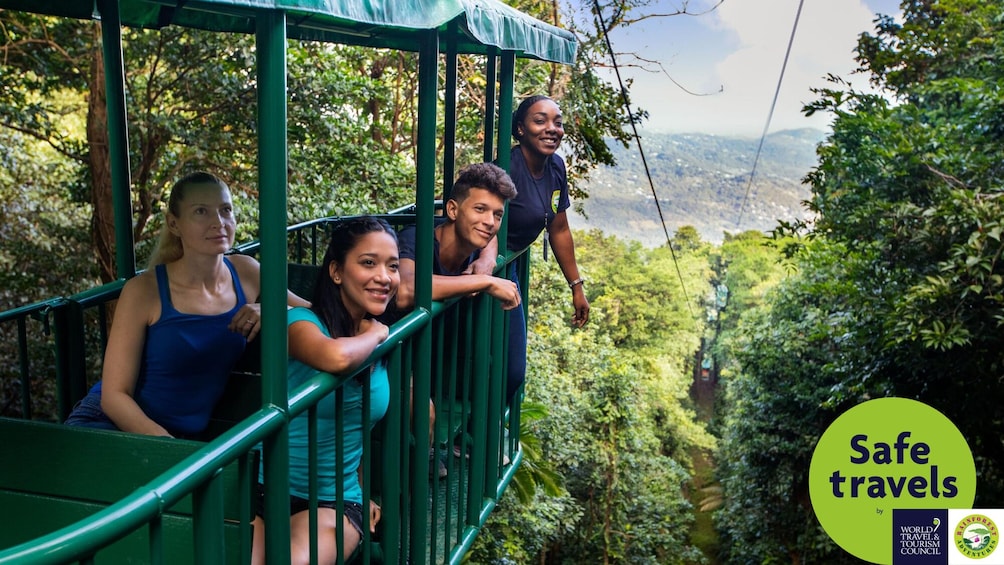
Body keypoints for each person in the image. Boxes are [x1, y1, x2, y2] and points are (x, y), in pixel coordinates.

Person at [64, 171, 309, 438]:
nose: (219, 222)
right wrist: (169, 451)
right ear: (174, 224)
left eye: (225, 210)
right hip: (114, 427)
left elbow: (316, 312)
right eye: (201, 212)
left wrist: (276, 312)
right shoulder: (144, 291)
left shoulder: (246, 272)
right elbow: (114, 397)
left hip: (184, 442)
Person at [251, 216, 398, 564]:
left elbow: (359, 427)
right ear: (336, 271)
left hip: (334, 500)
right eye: (368, 263)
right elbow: (333, 357)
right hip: (263, 489)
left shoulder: (378, 343)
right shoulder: (301, 324)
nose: (384, 276)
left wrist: (362, 493)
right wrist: (376, 334)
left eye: (392, 266)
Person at [395, 161, 520, 476]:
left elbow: (487, 232)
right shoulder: (416, 238)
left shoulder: (472, 244)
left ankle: (421, 455)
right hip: (378, 344)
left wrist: (488, 259)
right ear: (452, 210)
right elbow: (407, 289)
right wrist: (485, 281)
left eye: (497, 214)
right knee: (425, 413)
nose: (489, 221)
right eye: (480, 209)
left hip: (421, 352)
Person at [471, 95, 590, 402]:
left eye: (558, 122)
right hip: (480, 259)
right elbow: (486, 223)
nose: (552, 129)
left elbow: (559, 227)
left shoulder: (555, 168)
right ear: (521, 129)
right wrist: (486, 260)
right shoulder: (507, 167)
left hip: (506, 264)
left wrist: (576, 286)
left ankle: (471, 436)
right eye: (540, 121)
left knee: (512, 370)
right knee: (486, 360)